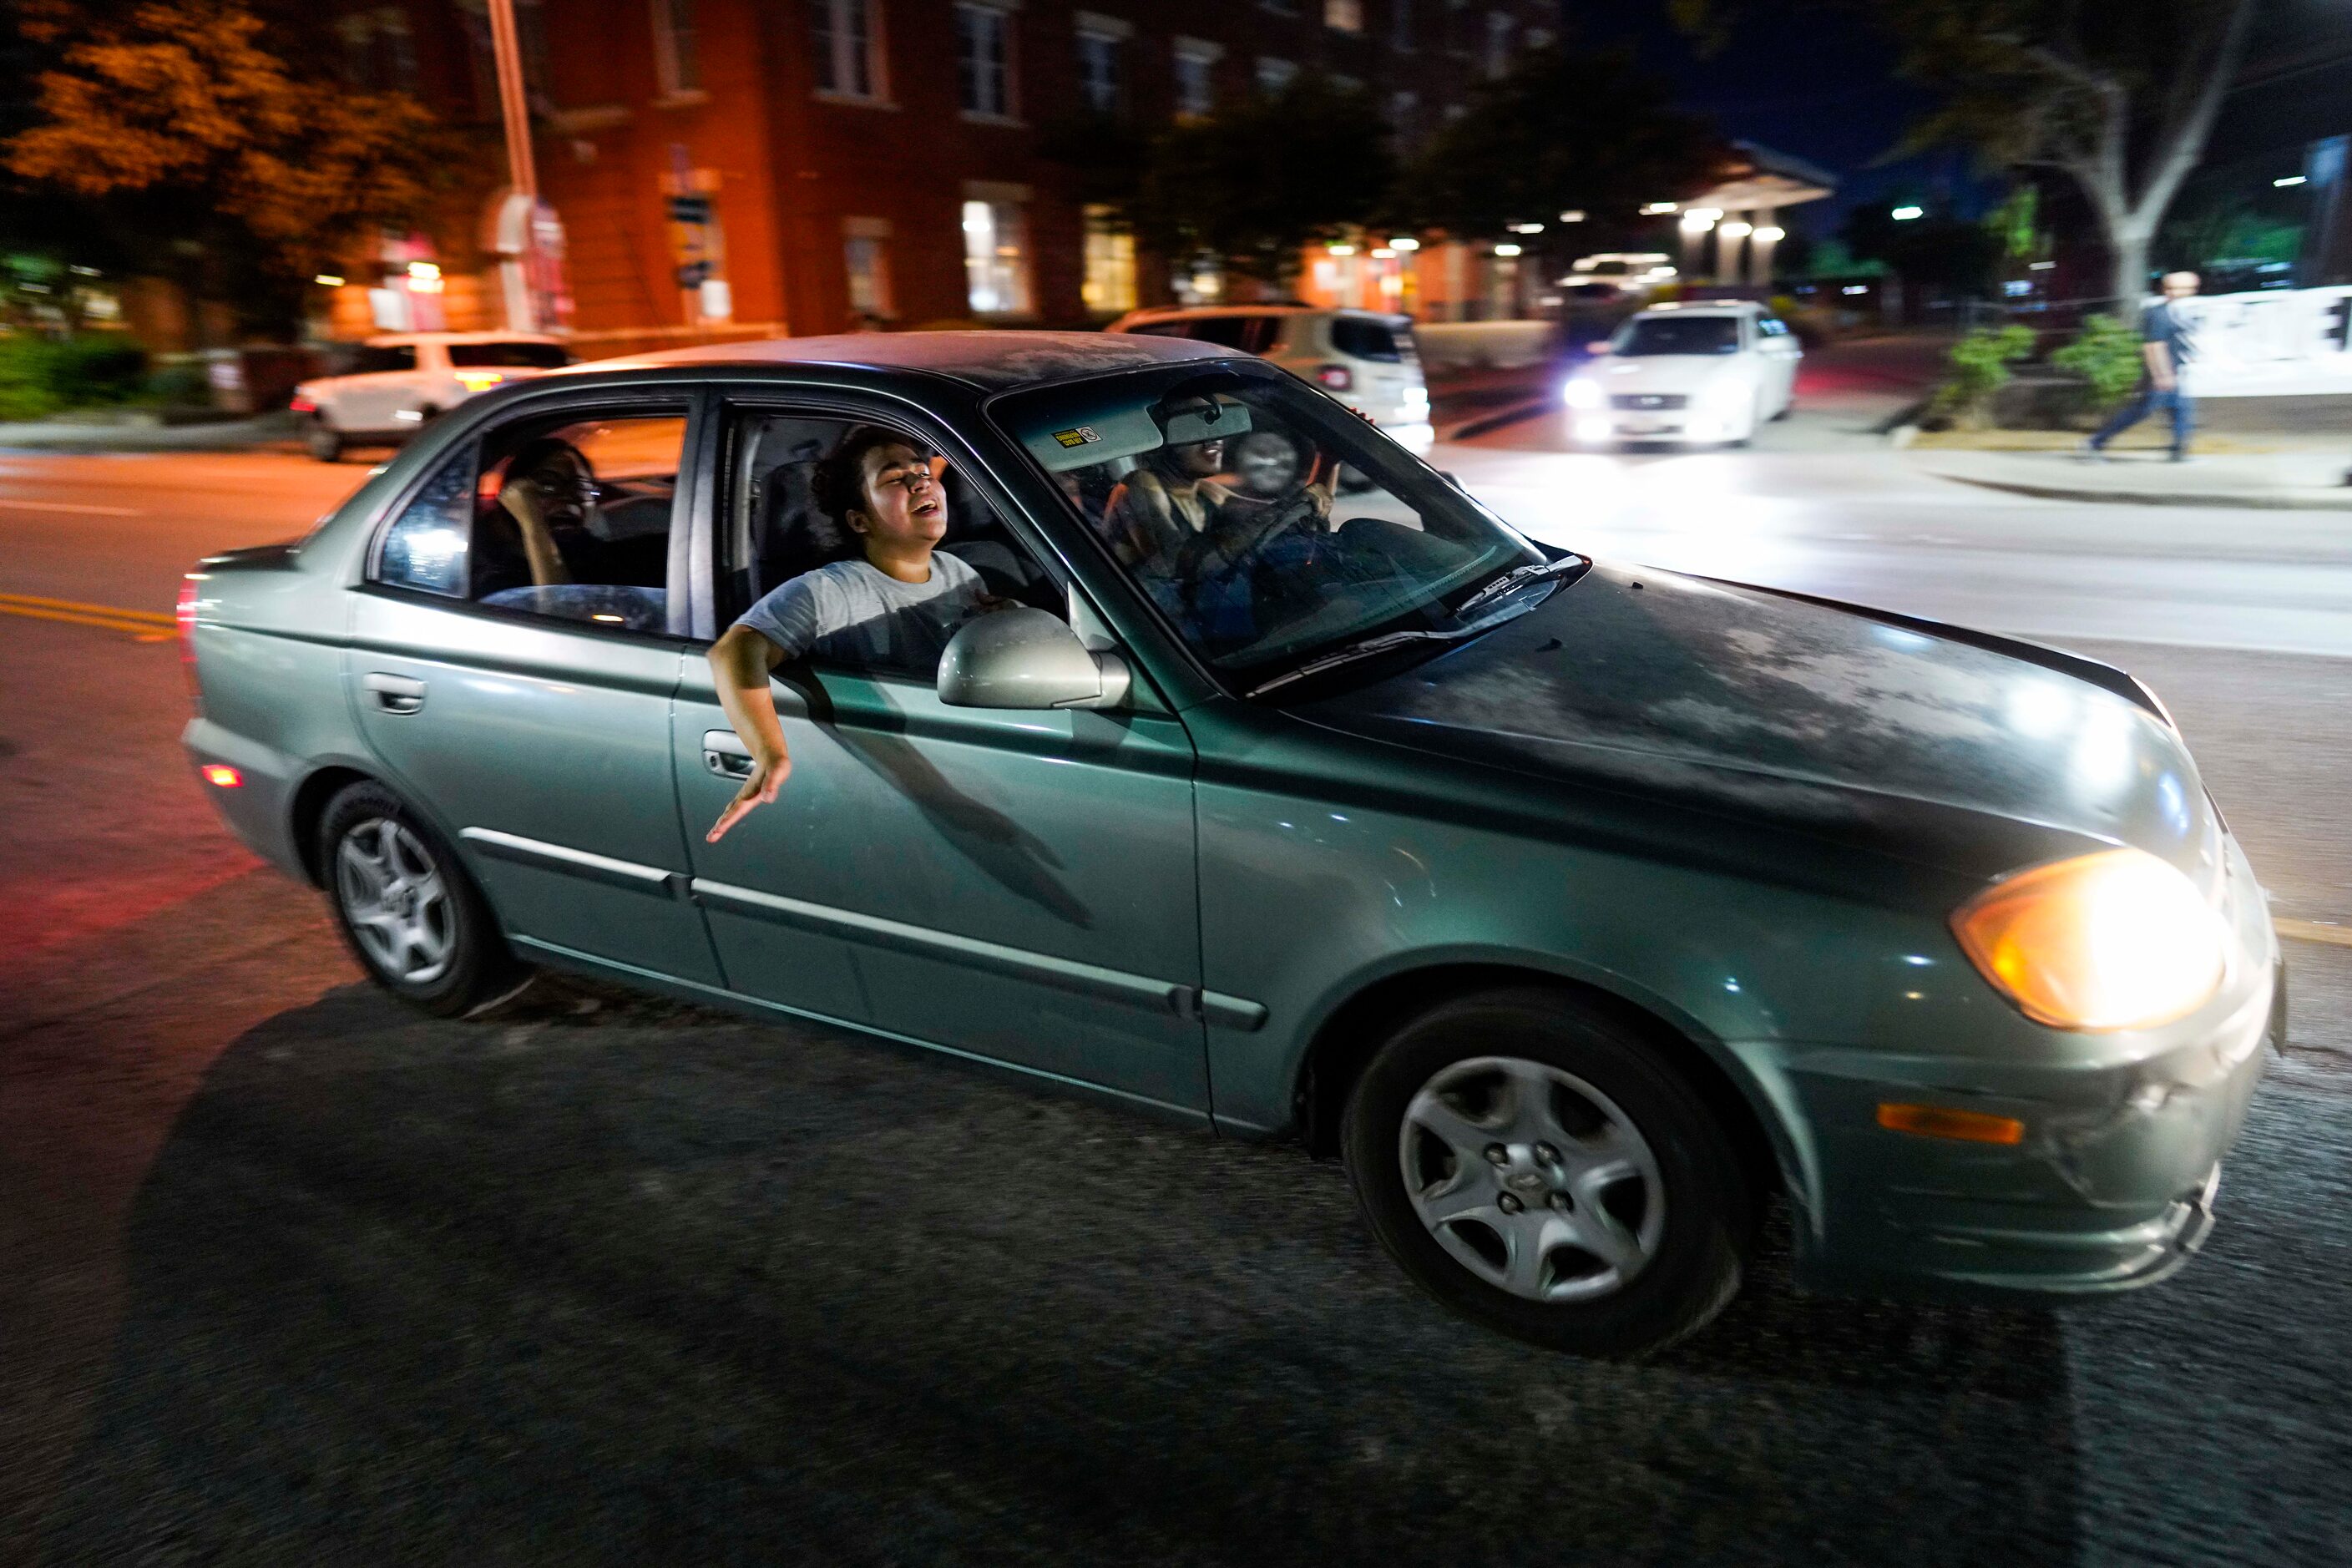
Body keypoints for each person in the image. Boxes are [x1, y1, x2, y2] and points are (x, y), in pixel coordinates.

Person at [705, 427, 987, 842]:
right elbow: (733, 650)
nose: (919, 480)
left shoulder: (958, 572)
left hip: (966, 764)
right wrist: (769, 753)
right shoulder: (832, 589)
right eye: (894, 478)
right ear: (860, 519)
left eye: (922, 470)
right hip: (885, 798)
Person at [479, 438, 668, 630]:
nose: (569, 498)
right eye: (548, 484)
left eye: (580, 488)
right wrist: (533, 524)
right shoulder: (495, 579)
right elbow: (561, 627)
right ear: (516, 496)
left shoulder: (599, 556)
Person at [2081, 271, 2201, 463]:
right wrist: (2162, 376)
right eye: (2182, 288)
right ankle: (2094, 444)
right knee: (2140, 412)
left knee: (2182, 410)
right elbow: (2153, 347)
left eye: (2190, 288)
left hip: (2172, 372)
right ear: (2168, 289)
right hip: (2161, 375)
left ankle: (2178, 451)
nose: (2187, 292)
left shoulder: (2175, 312)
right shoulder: (2158, 314)